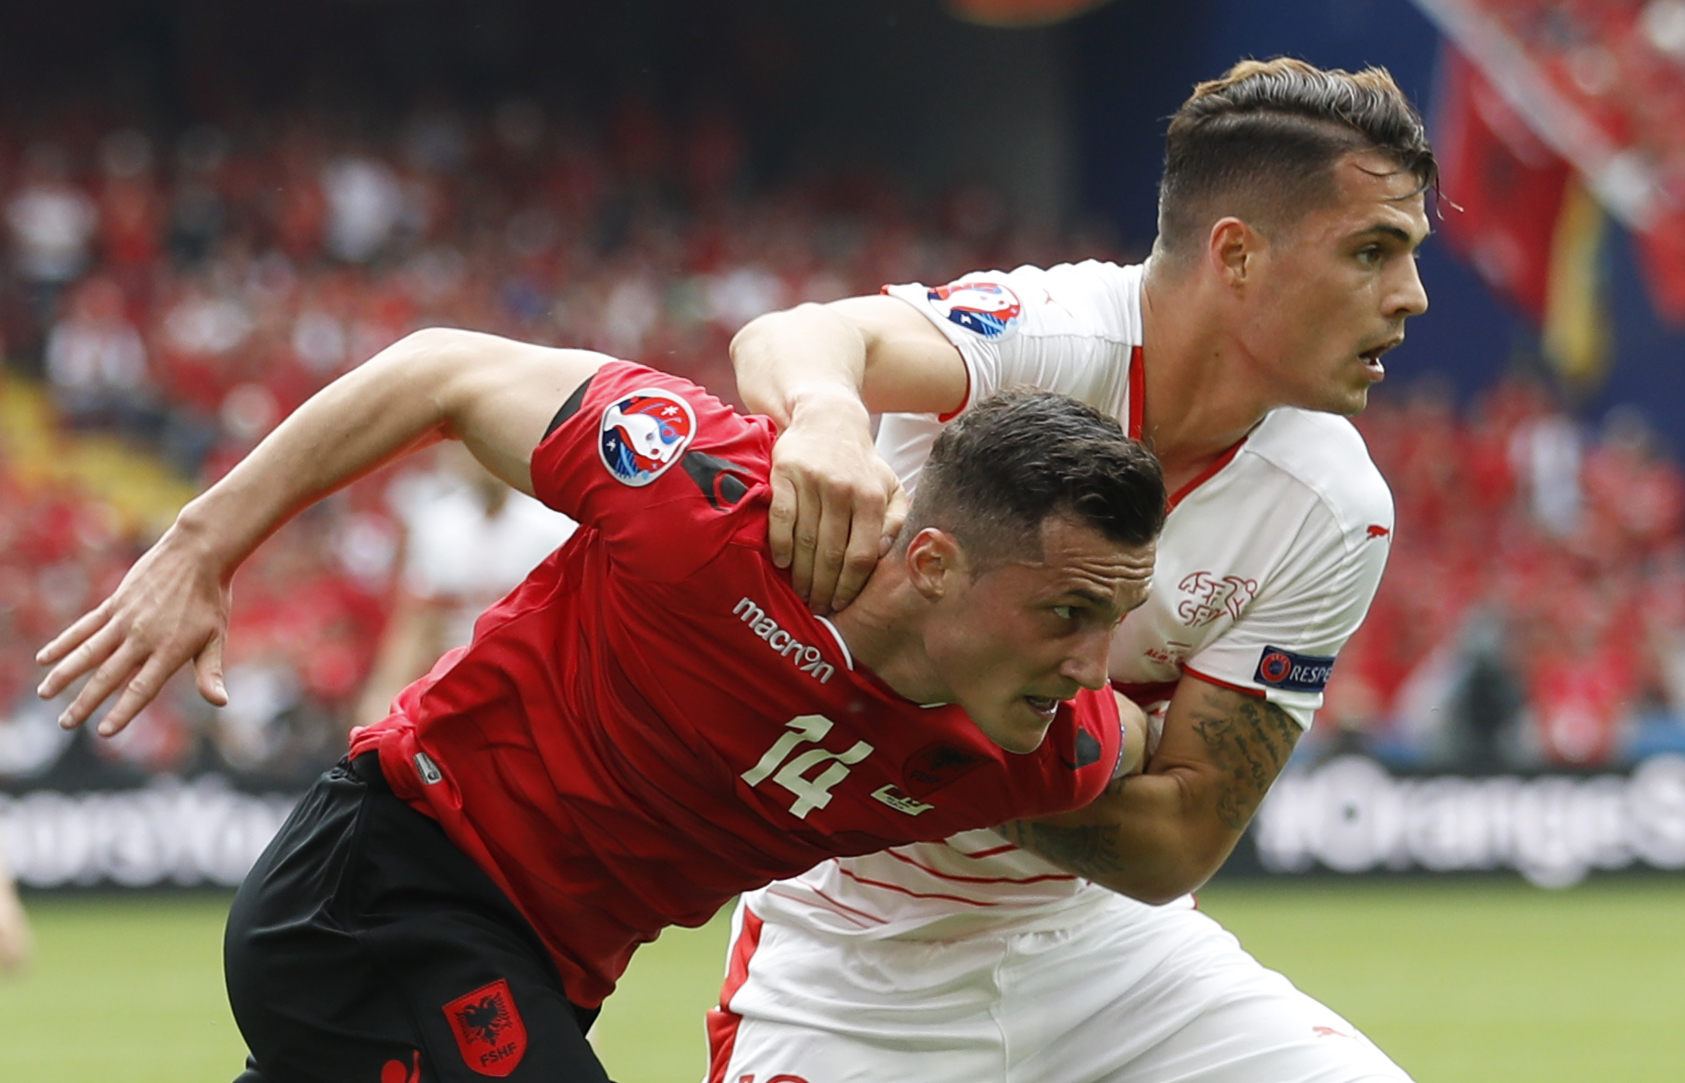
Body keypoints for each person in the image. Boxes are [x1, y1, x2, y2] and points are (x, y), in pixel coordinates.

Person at [34, 326, 1166, 1082]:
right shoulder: (715, 503)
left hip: (539, 976)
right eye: (1064, 613)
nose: (1088, 662)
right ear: (928, 565)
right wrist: (202, 545)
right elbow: (441, 369)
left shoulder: (1034, 749)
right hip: (386, 886)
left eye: (1111, 620)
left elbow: (1169, 752)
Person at [715, 57, 1431, 1083]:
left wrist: (915, 713)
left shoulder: (1333, 508)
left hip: (1114, 961)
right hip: (856, 952)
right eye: (1371, 251)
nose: (1407, 298)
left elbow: (1174, 844)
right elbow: (799, 336)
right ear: (1235, 255)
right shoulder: (1047, 337)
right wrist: (826, 418)